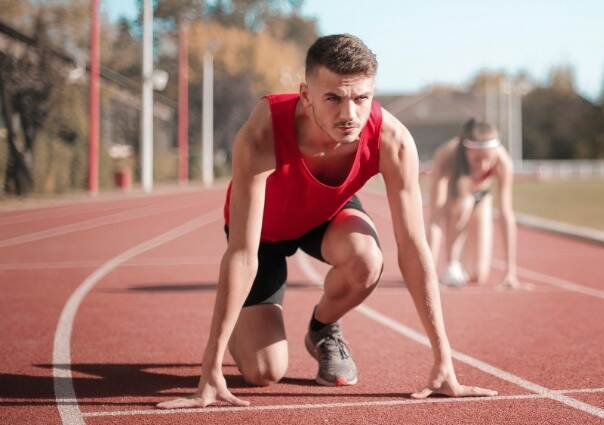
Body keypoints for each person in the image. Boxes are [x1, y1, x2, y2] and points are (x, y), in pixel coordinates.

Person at [157, 34, 496, 409]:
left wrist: (443, 360)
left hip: (325, 216)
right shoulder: (263, 132)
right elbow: (241, 252)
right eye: (333, 98)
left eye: (361, 98)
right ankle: (240, 319)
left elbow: (414, 249)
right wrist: (211, 367)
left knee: (368, 259)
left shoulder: (392, 141)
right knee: (263, 372)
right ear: (306, 94)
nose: (349, 114)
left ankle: (323, 329)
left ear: (372, 93)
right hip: (264, 235)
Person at [424, 119, 529, 289]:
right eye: (476, 159)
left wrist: (511, 272)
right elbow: (435, 219)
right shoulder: (446, 156)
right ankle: (452, 264)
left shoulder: (503, 162)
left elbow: (506, 214)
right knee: (464, 204)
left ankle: (464, 264)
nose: (483, 165)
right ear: (466, 152)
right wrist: (427, 273)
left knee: (478, 275)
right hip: (456, 199)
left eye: (489, 158)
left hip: (482, 198)